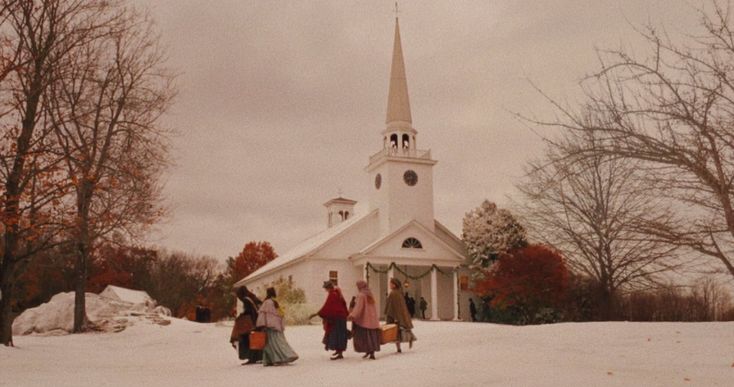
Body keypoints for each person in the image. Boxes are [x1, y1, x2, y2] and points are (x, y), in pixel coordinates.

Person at [255, 287, 298, 366]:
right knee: (279, 342)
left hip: (268, 326)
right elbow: (281, 314)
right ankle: (286, 355)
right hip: (277, 326)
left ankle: (271, 359)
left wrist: (261, 325)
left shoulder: (266, 302)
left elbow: (262, 314)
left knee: (269, 344)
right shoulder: (275, 302)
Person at [309, 280, 349, 360]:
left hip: (337, 318)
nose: (325, 290)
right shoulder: (337, 293)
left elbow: (327, 306)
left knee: (337, 334)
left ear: (328, 288)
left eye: (325, 288)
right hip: (341, 317)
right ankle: (339, 351)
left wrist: (317, 314)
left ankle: (340, 352)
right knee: (340, 334)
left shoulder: (332, 294)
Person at [347, 280, 380, 360]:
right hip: (372, 320)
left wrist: (352, 315)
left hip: (364, 320)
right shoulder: (370, 294)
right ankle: (371, 352)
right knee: (371, 337)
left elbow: (358, 308)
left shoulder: (361, 295)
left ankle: (367, 350)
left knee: (364, 337)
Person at [231, 286, 263, 365]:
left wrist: (241, 316)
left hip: (250, 323)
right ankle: (257, 357)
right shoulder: (252, 297)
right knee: (255, 340)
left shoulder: (246, 300)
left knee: (247, 340)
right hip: (257, 321)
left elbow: (248, 311)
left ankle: (251, 358)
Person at [384, 278, 416, 353]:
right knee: (399, 331)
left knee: (397, 332)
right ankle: (399, 347)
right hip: (398, 315)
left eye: (391, 284)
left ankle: (400, 346)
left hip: (395, 316)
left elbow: (394, 305)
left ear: (394, 285)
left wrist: (393, 315)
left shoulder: (394, 293)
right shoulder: (399, 293)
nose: (390, 285)